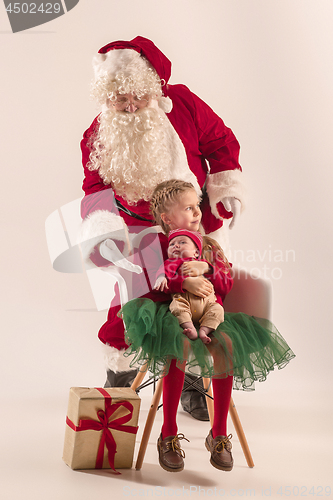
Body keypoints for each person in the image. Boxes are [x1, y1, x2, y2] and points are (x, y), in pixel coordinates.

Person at [78, 36, 246, 419]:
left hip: (194, 225)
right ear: (107, 99)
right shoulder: (97, 134)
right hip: (137, 233)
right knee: (130, 305)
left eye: (137, 95)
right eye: (120, 99)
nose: (130, 105)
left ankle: (192, 385)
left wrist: (226, 187)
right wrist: (103, 232)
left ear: (153, 88)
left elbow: (220, 142)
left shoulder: (183, 103)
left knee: (204, 303)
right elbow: (95, 186)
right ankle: (117, 384)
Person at [120, 179, 295, 472]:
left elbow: (225, 285)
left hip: (209, 313)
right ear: (167, 218)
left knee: (225, 344)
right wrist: (182, 280)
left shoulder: (210, 245)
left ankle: (218, 434)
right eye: (188, 208)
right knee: (180, 343)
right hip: (170, 314)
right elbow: (145, 284)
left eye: (197, 205)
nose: (197, 212)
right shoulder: (154, 244)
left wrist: (209, 268)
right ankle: (169, 432)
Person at [154, 228, 225, 345]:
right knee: (177, 307)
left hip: (208, 303)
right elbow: (164, 272)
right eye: (172, 244)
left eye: (182, 242)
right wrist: (161, 277)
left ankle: (204, 330)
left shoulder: (202, 263)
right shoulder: (171, 263)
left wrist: (208, 267)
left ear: (196, 252)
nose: (176, 245)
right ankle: (190, 327)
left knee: (218, 310)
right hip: (184, 300)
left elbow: (224, 282)